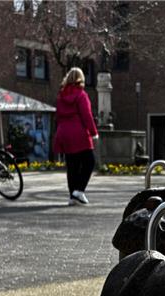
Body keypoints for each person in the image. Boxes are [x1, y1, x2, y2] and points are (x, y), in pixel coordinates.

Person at [54, 67, 98, 206]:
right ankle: (79, 191)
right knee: (89, 161)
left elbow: (58, 115)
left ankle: (72, 195)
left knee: (72, 165)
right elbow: (87, 115)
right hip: (78, 132)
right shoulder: (81, 95)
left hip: (64, 132)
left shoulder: (61, 95)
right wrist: (93, 132)